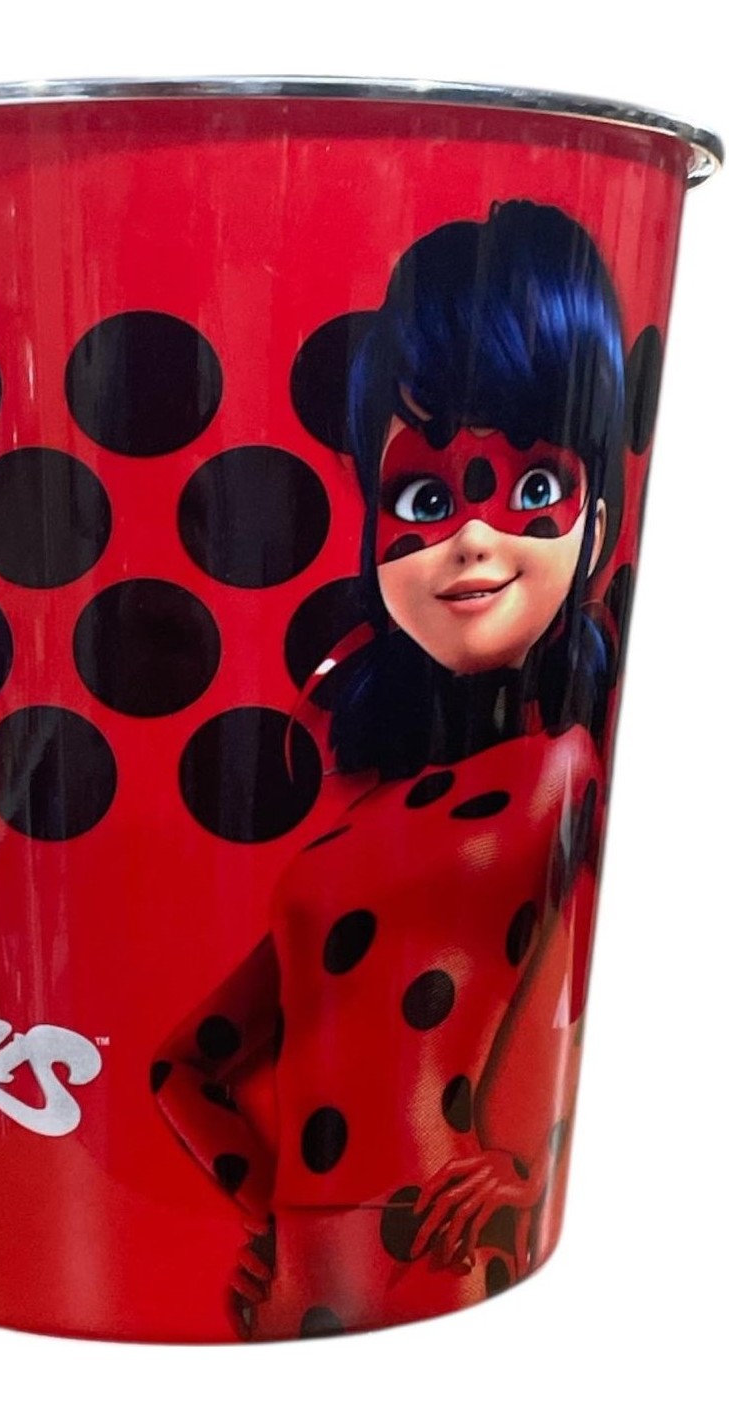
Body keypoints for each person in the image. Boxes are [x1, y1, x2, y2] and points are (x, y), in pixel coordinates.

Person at [151, 200, 626, 1341]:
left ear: (600, 528)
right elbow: (181, 1069)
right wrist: (271, 1219)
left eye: (532, 489)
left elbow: (573, 969)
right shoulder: (356, 815)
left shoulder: (564, 767)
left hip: (439, 1265)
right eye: (425, 499)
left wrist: (525, 1169)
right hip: (296, 1286)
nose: (472, 539)